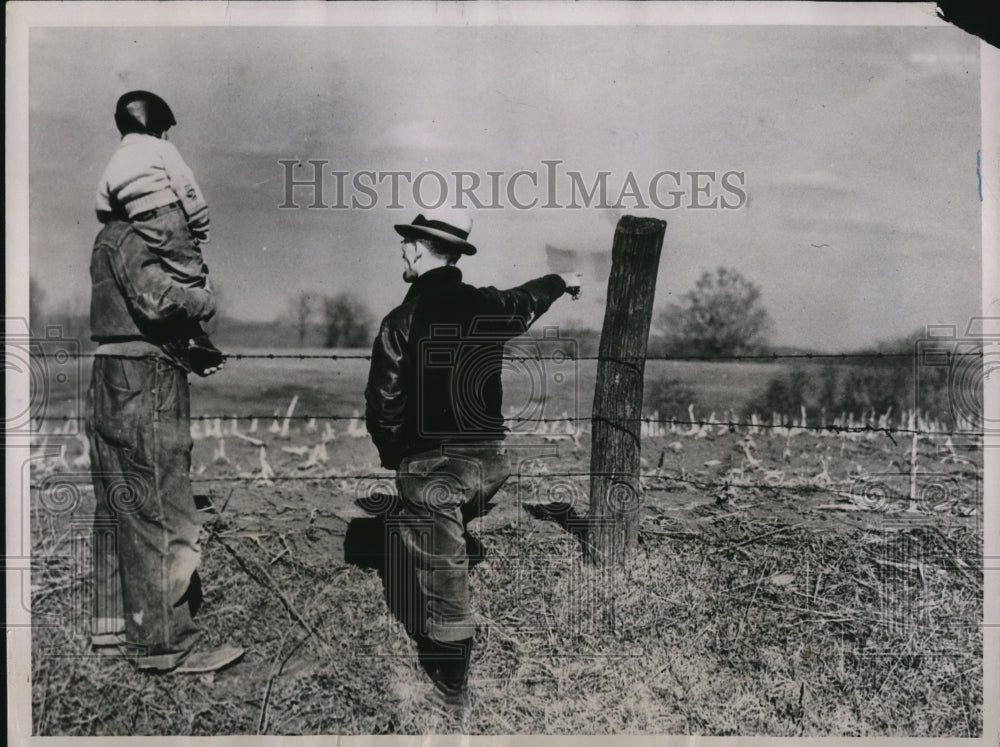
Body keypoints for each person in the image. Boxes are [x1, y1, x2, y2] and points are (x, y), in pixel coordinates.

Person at [364, 207, 581, 715]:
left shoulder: (401, 319)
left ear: (418, 250)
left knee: (443, 574)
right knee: (448, 513)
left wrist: (400, 462)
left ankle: (451, 687)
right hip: (491, 466)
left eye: (406, 245)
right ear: (455, 254)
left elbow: (383, 406)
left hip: (437, 473)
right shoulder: (488, 306)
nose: (402, 251)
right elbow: (527, 300)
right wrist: (563, 280)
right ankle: (453, 530)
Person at [86, 217, 243, 673]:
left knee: (119, 501)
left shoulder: (109, 236)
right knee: (162, 504)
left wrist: (185, 348)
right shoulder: (141, 234)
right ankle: (166, 645)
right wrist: (204, 299)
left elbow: (132, 312)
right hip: (146, 379)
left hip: (113, 373)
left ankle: (114, 629)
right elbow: (157, 302)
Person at [95, 90, 223, 375]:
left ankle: (187, 338)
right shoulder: (162, 149)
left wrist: (123, 213)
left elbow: (102, 204)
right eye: (164, 130)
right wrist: (200, 225)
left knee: (162, 274)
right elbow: (187, 188)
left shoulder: (116, 159)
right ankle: (197, 338)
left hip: (137, 222)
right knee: (190, 276)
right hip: (169, 216)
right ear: (154, 125)